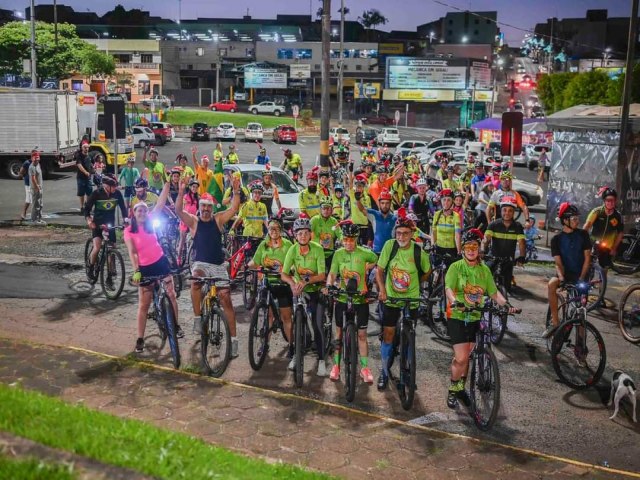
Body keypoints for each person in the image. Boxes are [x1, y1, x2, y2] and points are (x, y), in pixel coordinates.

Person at [445, 228, 517, 408]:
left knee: (468, 356)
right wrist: (454, 301)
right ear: (463, 249)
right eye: (468, 246)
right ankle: (453, 390)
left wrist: (506, 305)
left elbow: (493, 293)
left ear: (479, 249)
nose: (471, 249)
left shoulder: (484, 270)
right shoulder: (455, 267)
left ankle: (461, 388)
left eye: (474, 246)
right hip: (458, 316)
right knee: (461, 359)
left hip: (475, 315)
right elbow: (448, 289)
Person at [176, 175, 242, 358]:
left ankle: (234, 340)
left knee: (226, 299)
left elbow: (234, 208)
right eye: (203, 206)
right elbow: (178, 211)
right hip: (201, 264)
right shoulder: (194, 221)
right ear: (199, 207)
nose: (205, 209)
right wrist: (181, 192)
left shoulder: (218, 219)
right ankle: (198, 318)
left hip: (218, 265)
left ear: (212, 208)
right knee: (195, 279)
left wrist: (236, 191)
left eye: (208, 206)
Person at [124, 181, 182, 353]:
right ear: (134, 213)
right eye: (138, 210)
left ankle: (176, 326)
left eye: (144, 210)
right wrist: (136, 271)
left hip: (160, 261)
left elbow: (161, 202)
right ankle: (140, 338)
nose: (142, 212)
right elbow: (132, 252)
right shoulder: (129, 231)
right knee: (144, 304)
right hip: (144, 267)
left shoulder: (150, 220)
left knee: (171, 294)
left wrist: (166, 184)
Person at [375, 215, 431, 390]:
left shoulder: (418, 251)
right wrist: (383, 290)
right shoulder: (389, 246)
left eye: (405, 234)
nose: (401, 237)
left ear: (412, 234)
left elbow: (427, 272)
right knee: (388, 335)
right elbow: (380, 270)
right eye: (398, 233)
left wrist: (416, 285)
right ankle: (384, 372)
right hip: (391, 298)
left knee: (409, 337)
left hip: (411, 299)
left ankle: (407, 372)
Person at [325, 222, 378, 382]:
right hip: (342, 297)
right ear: (342, 239)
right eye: (345, 239)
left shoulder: (364, 253)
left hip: (360, 299)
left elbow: (376, 261)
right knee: (339, 334)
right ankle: (336, 366)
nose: (348, 243)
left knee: (362, 335)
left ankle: (364, 368)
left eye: (351, 240)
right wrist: (329, 285)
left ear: (356, 239)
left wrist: (366, 269)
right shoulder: (338, 253)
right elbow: (333, 273)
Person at [281, 217, 327, 374]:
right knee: (296, 323)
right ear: (295, 235)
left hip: (315, 290)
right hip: (299, 290)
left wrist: (306, 280)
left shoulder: (318, 249)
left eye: (306, 233)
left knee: (317, 325)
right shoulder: (292, 250)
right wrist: (292, 284)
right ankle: (295, 355)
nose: (303, 236)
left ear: (311, 235)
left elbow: (322, 275)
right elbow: (284, 274)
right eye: (300, 233)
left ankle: (321, 360)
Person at [248, 218, 294, 362]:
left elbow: (294, 264)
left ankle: (292, 345)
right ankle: (265, 343)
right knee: (267, 316)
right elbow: (254, 262)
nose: (273, 231)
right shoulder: (264, 244)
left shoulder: (288, 245)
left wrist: (289, 270)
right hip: (266, 282)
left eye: (276, 228)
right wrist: (248, 266)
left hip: (282, 284)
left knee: (286, 317)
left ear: (280, 230)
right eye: (271, 228)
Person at [544, 202, 592, 339]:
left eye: (578, 218)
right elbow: (558, 263)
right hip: (565, 274)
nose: (578, 221)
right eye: (574, 219)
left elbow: (587, 259)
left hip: (581, 276)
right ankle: (555, 322)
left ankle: (580, 348)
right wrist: (562, 277)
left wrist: (582, 279)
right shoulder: (556, 239)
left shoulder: (583, 235)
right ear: (565, 220)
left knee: (581, 313)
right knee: (552, 283)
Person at [84, 173, 128, 276]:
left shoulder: (117, 194)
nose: (116, 188)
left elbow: (123, 208)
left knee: (112, 247)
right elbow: (87, 209)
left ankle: (110, 273)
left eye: (116, 186)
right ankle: (90, 266)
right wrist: (89, 220)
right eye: (114, 186)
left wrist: (126, 221)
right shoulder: (96, 193)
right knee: (97, 247)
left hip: (110, 224)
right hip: (98, 224)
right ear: (106, 186)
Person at [481, 197, 526, 292]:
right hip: (493, 257)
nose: (507, 213)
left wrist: (522, 256)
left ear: (514, 212)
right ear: (500, 211)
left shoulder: (518, 226)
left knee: (507, 288)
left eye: (510, 211)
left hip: (508, 260)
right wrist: (482, 250)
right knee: (484, 279)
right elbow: (486, 239)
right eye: (504, 210)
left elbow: (522, 243)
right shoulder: (493, 225)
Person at [583, 187, 624, 276]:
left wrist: (614, 248)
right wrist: (583, 238)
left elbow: (620, 233)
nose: (610, 203)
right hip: (593, 242)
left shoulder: (618, 216)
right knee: (587, 263)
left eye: (612, 200)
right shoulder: (597, 212)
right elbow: (587, 225)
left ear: (615, 201)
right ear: (604, 201)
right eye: (608, 200)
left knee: (604, 268)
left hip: (607, 246)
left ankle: (602, 286)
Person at [357, 188, 396, 255]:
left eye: (387, 203)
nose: (384, 206)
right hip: (376, 251)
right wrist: (358, 200)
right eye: (382, 203)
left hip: (390, 252)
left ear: (390, 204)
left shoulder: (395, 218)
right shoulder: (374, 214)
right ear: (379, 203)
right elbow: (362, 209)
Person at [432, 189, 462, 263]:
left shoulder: (456, 216)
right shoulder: (436, 214)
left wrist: (459, 252)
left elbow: (457, 235)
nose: (446, 202)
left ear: (452, 202)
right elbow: (433, 232)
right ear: (441, 201)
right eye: (444, 200)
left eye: (449, 200)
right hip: (439, 248)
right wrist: (432, 246)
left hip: (451, 249)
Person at [310, 199, 340, 272]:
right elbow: (307, 232)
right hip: (316, 253)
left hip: (330, 252)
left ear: (332, 210)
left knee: (334, 273)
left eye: (328, 208)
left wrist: (345, 239)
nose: (326, 211)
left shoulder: (334, 221)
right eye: (324, 208)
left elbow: (340, 234)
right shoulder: (314, 220)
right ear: (320, 209)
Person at [176, 179, 199, 266]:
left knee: (195, 238)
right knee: (182, 240)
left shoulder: (197, 198)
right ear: (190, 187)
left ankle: (193, 255)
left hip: (192, 221)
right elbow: (181, 207)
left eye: (196, 187)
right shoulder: (185, 196)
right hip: (185, 220)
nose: (194, 188)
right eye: (193, 187)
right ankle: (178, 257)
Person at [75, 143, 94, 212]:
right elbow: (79, 165)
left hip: (88, 178)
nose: (86, 149)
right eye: (85, 147)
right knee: (81, 193)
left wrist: (94, 169)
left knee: (89, 192)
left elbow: (92, 164)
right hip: (81, 177)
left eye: (87, 147)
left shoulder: (90, 155)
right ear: (82, 148)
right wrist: (85, 172)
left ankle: (87, 205)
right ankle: (82, 207)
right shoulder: (79, 156)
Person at [28, 151, 45, 225]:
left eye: (38, 158)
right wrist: (37, 186)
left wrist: (40, 186)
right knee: (36, 204)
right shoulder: (32, 167)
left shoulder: (38, 164)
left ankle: (39, 219)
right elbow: (33, 178)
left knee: (40, 204)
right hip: (35, 188)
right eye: (35, 158)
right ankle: (34, 220)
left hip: (40, 187)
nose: (37, 159)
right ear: (32, 158)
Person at [18, 151, 34, 220]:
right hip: (28, 184)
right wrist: (24, 177)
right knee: (29, 199)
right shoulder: (27, 163)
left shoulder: (36, 162)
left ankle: (34, 213)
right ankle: (23, 213)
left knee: (34, 199)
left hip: (34, 183)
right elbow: (21, 173)